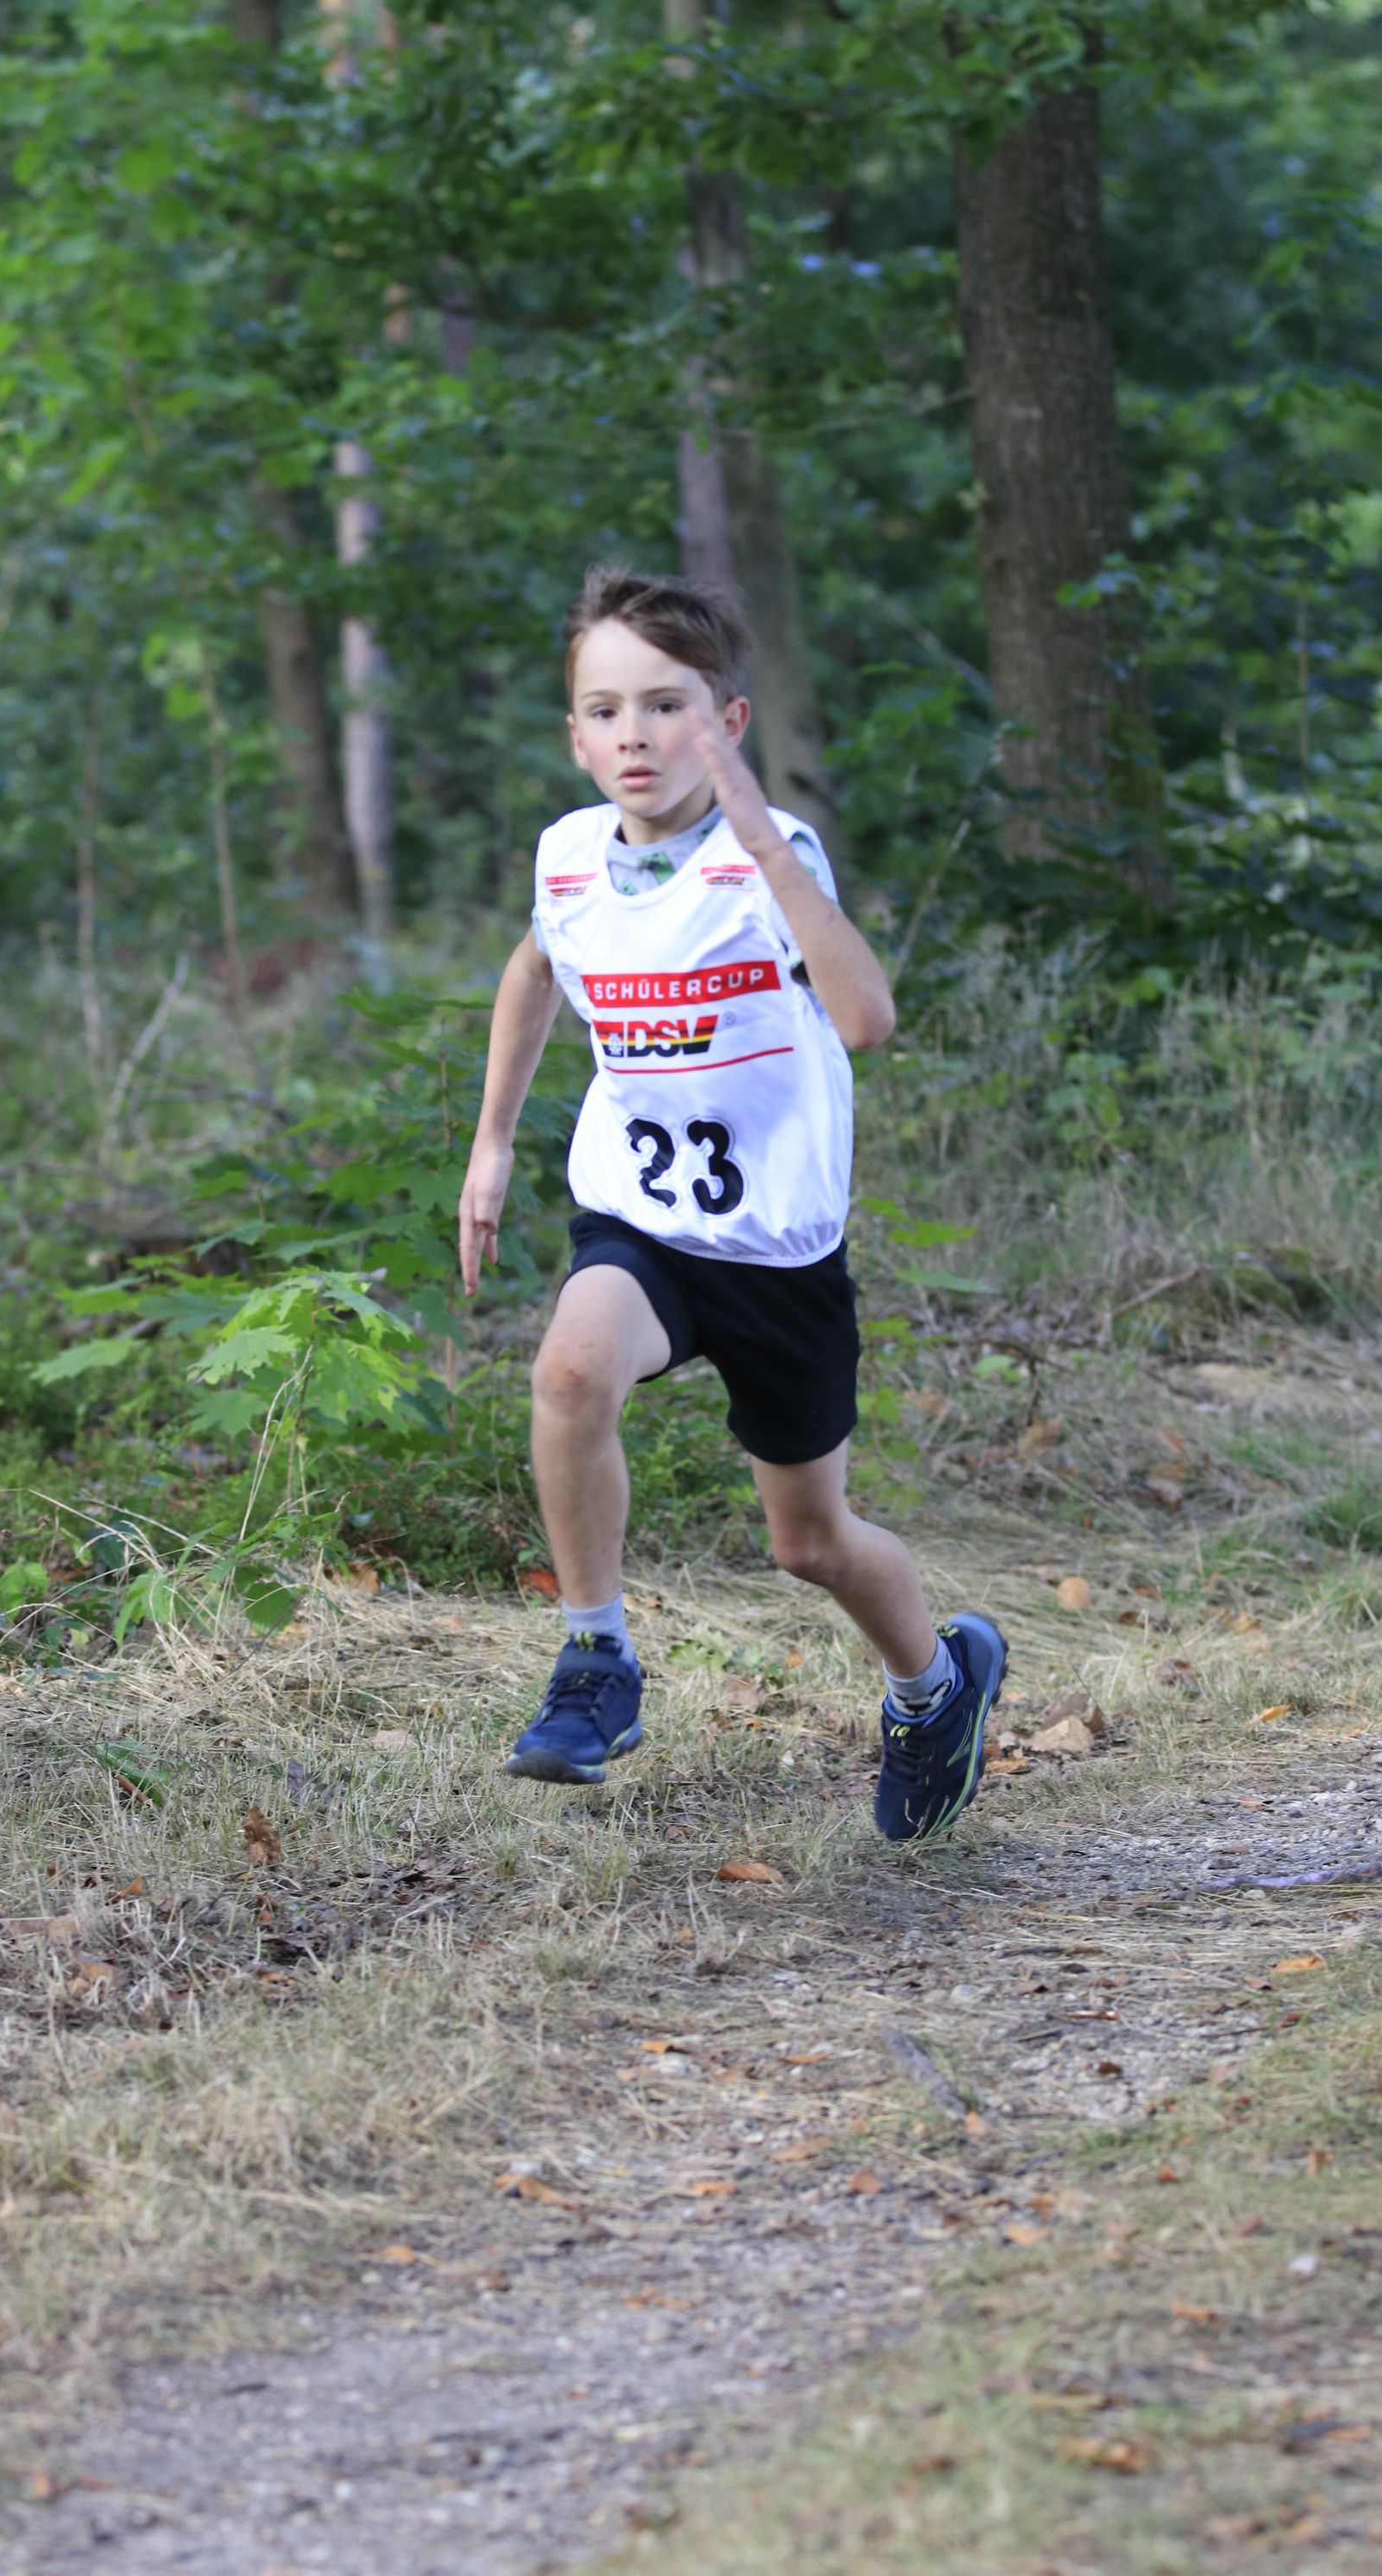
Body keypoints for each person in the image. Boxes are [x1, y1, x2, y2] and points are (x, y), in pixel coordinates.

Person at [456, 564, 1007, 1840]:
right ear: (574, 733)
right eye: (606, 710)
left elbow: (865, 1019)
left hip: (775, 1248)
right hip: (639, 1221)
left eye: (668, 707)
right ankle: (596, 1660)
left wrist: (762, 839)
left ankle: (936, 1685)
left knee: (809, 1545)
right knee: (569, 1374)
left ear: (728, 722)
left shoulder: (773, 858)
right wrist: (492, 1143)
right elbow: (538, 967)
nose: (636, 736)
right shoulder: (569, 855)